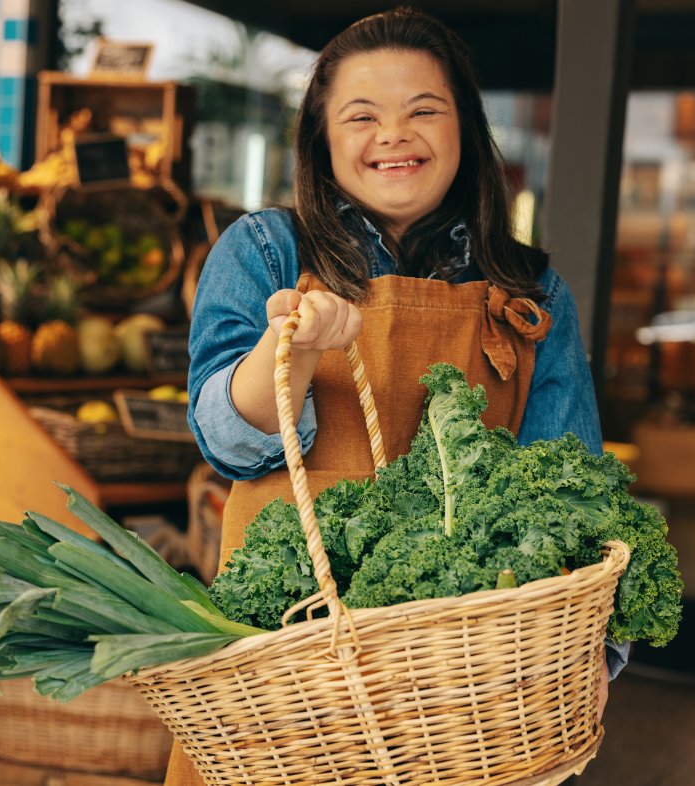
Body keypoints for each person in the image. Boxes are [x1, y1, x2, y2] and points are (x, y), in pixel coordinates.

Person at [167, 7, 624, 785]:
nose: (393, 136)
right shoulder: (265, 252)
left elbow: (572, 494)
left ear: (464, 129)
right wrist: (293, 349)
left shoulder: (531, 289)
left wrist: (563, 662)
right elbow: (224, 439)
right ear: (321, 138)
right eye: (362, 116)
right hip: (283, 670)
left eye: (423, 111)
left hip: (462, 696)